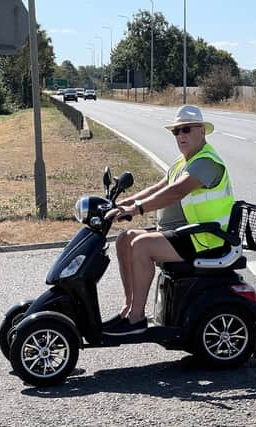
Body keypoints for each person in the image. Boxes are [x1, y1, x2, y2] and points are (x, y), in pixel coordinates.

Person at [102, 105, 235, 335]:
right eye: (176, 131)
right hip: (185, 233)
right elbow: (159, 187)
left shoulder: (206, 162)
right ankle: (128, 308)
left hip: (204, 238)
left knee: (141, 246)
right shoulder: (183, 161)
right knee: (125, 239)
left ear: (201, 131)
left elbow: (175, 191)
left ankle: (137, 318)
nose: (181, 135)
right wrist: (122, 205)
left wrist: (136, 210)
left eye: (186, 130)